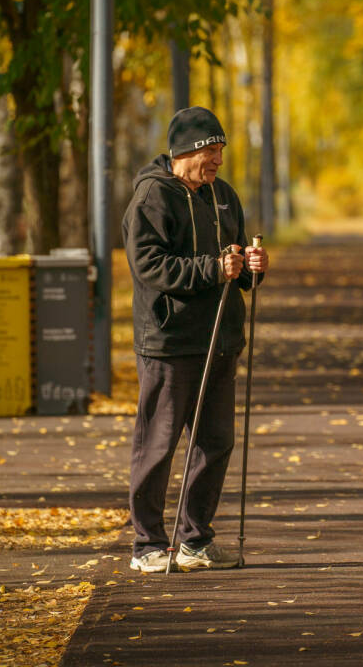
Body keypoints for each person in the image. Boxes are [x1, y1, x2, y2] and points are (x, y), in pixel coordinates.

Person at [122, 106, 269, 574]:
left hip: (221, 338)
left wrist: (250, 266)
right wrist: (212, 269)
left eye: (221, 152)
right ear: (186, 150)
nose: (218, 162)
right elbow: (148, 266)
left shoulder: (223, 195)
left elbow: (235, 259)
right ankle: (147, 544)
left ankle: (195, 540)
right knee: (158, 445)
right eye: (211, 151)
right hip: (171, 341)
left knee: (216, 442)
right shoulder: (151, 197)